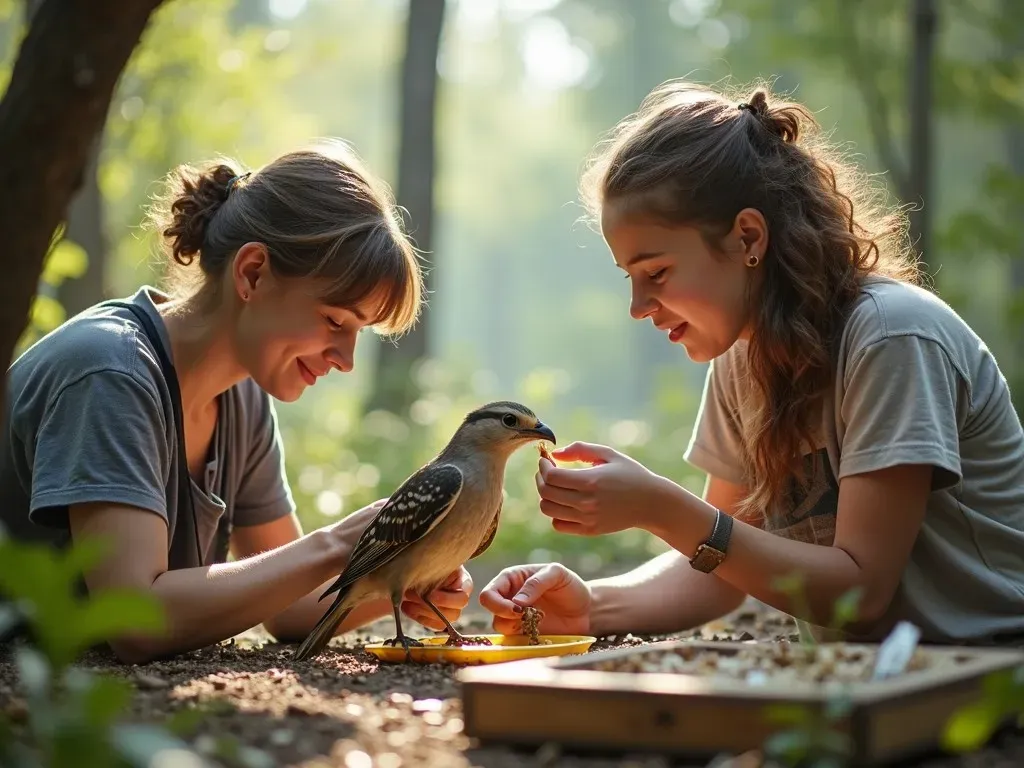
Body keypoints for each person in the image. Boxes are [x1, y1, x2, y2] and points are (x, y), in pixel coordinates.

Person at [481, 80, 1024, 648]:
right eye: (631, 279)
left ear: (747, 237)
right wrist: (590, 605)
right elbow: (721, 571)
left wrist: (660, 506)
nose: (638, 308)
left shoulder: (891, 338)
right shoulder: (743, 357)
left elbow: (859, 591)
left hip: (987, 678)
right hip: (871, 688)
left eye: (657, 273)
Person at [0, 142, 473, 663]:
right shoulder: (111, 372)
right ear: (252, 273)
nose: (346, 360)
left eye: (359, 333)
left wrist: (402, 577)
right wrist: (339, 544)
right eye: (335, 322)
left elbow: (289, 609)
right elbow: (133, 619)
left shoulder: (241, 398)